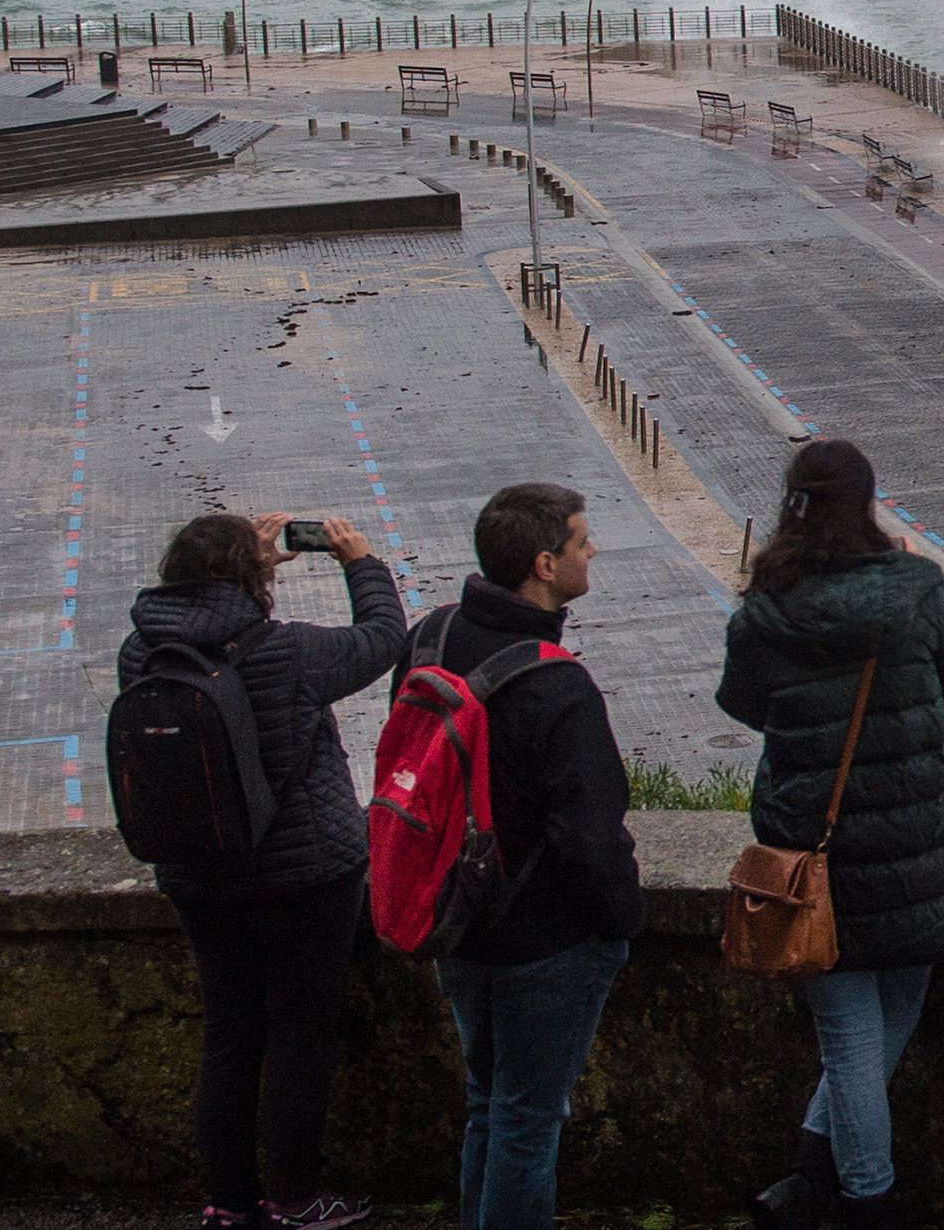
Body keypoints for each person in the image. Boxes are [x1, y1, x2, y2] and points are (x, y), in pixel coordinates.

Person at [719, 440, 944, 1230]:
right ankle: (866, 1201)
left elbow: (743, 705)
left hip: (813, 856)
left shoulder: (767, 607)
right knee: (883, 1020)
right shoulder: (913, 589)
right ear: (868, 503)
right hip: (918, 852)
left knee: (851, 1037)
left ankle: (810, 1175)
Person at [122, 510, 408, 1230]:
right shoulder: (292, 653)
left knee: (229, 1035)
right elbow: (382, 638)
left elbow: (203, 624)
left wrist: (236, 572)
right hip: (304, 877)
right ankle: (294, 1198)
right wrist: (359, 561)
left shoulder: (141, 653)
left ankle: (228, 1201)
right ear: (253, 578)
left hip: (197, 872)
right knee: (298, 1035)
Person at [427, 484, 647, 1230]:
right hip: (543, 940)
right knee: (528, 1122)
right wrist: (623, 924)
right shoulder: (557, 684)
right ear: (545, 564)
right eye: (583, 542)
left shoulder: (430, 639)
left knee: (487, 1104)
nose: (594, 551)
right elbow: (592, 836)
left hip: (453, 918)